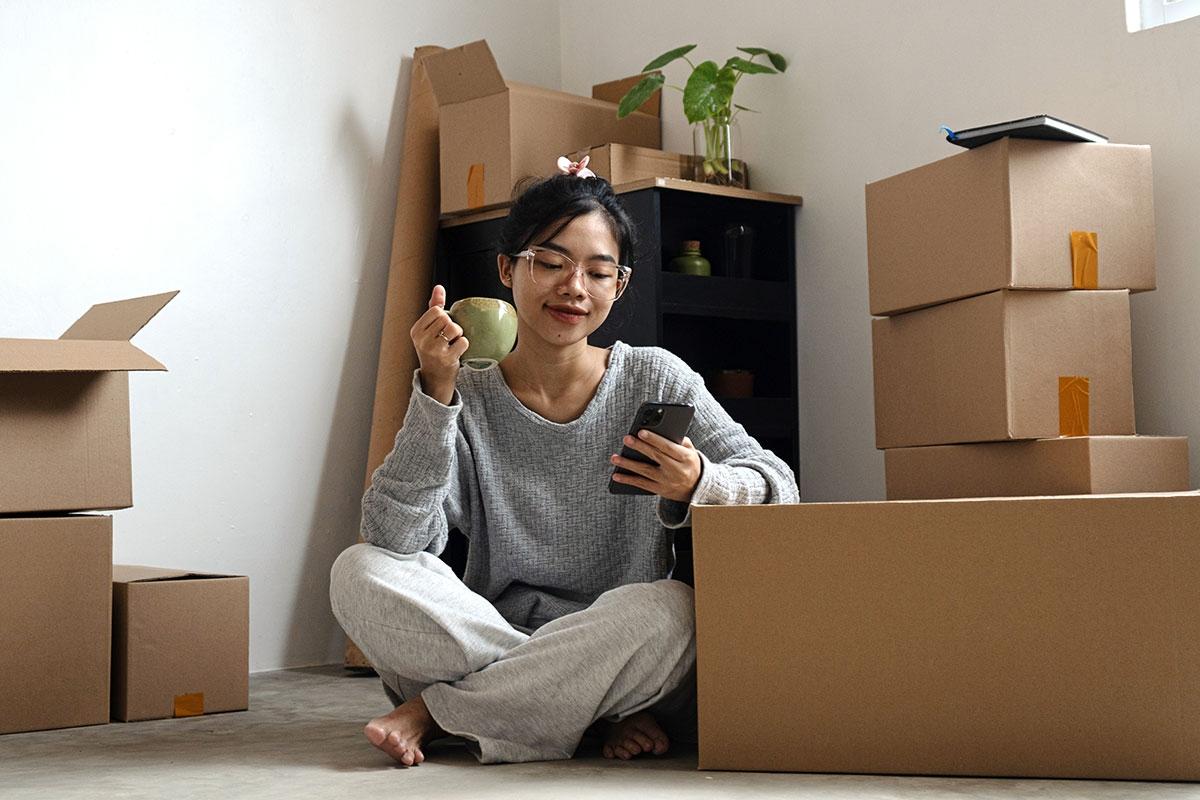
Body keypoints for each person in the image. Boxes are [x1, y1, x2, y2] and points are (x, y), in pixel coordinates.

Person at [329, 157, 800, 767]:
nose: (574, 287)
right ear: (507, 269)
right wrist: (435, 394)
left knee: (670, 613)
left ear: (618, 286)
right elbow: (397, 537)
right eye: (550, 263)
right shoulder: (467, 393)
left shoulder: (653, 377)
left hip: (622, 636)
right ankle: (579, 709)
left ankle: (441, 711)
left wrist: (699, 483)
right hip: (503, 637)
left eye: (599, 272)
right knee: (358, 569)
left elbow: (779, 486)